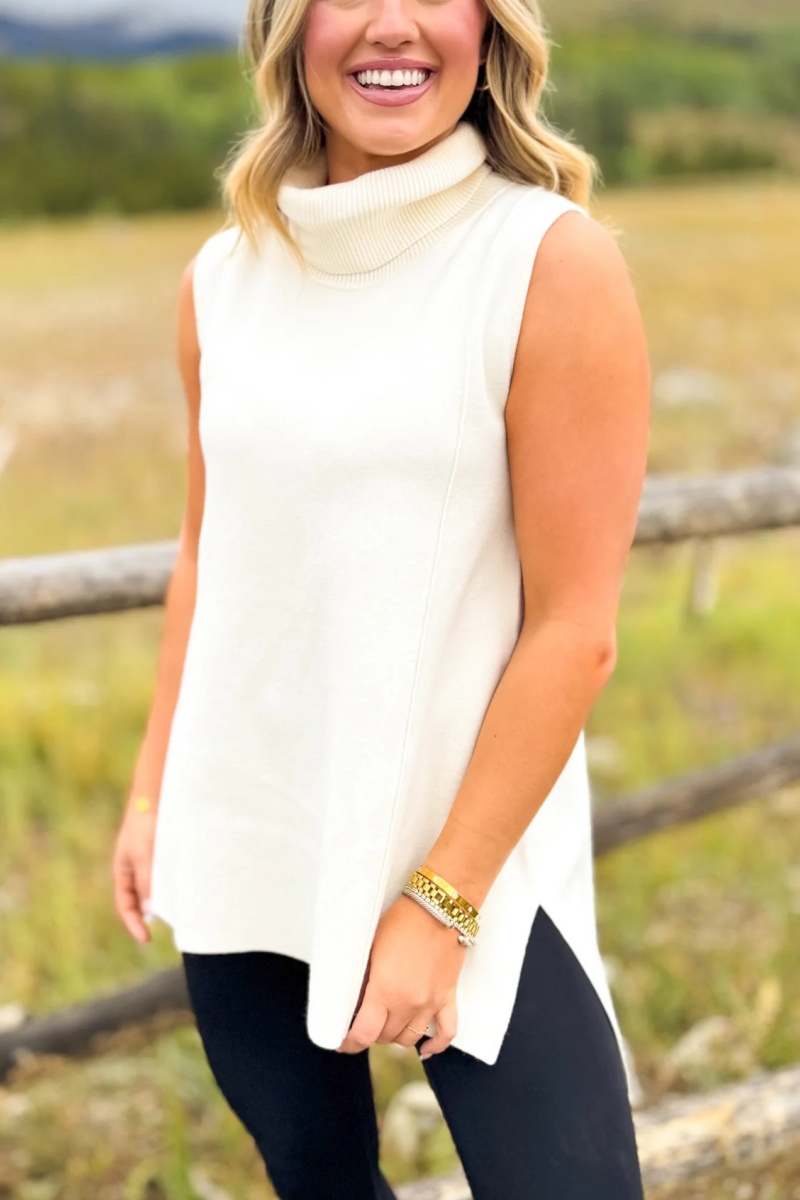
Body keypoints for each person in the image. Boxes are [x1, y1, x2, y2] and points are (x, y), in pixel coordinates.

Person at [112, 0, 651, 1193]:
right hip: (252, 830)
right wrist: (155, 790)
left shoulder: (544, 259)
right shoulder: (222, 280)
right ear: (287, 26)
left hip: (474, 857)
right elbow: (210, 553)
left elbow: (573, 629)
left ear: (489, 27)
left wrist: (439, 902)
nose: (392, 25)